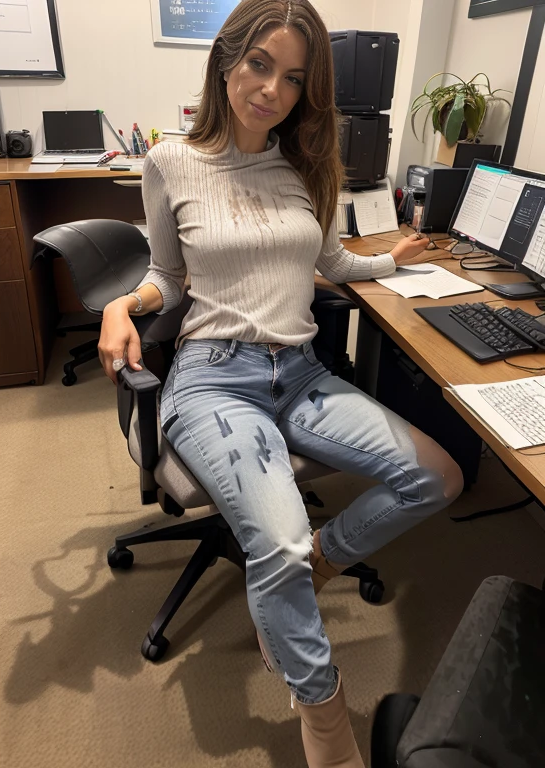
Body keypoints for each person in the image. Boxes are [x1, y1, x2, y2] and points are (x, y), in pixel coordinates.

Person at [98, 1, 464, 765]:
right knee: (278, 539)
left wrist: (401, 257)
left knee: (439, 475)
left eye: (294, 78)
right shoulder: (170, 161)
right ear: (227, 59)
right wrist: (120, 304)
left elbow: (331, 263)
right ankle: (324, 717)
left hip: (299, 375)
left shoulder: (306, 166)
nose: (272, 89)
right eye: (260, 64)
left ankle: (322, 559)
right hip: (215, 381)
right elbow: (167, 274)